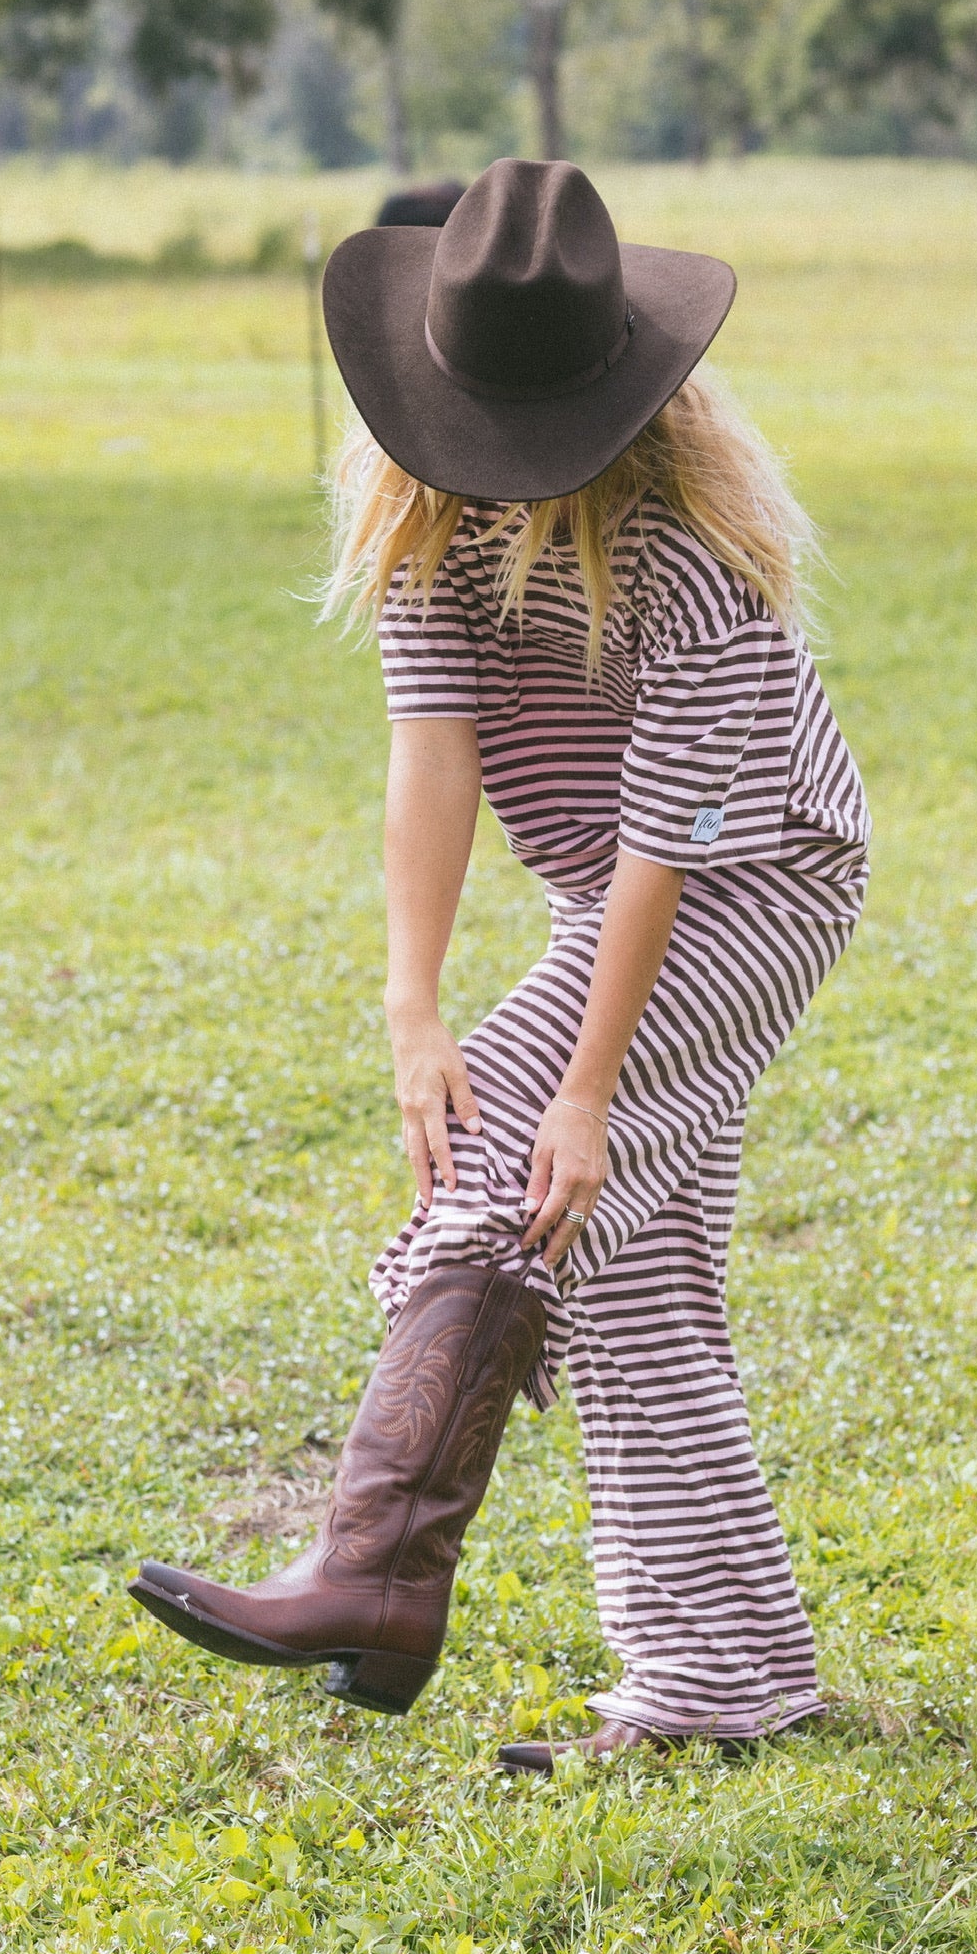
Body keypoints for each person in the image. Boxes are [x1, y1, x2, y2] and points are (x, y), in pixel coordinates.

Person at [131, 158, 869, 1775]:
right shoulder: (423, 513)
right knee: (632, 1291)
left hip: (759, 875)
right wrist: (413, 1008)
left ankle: (378, 1569)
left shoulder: (694, 565)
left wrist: (587, 1089)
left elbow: (669, 847)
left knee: (513, 1168)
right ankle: (726, 1682)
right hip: (606, 892)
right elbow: (433, 756)